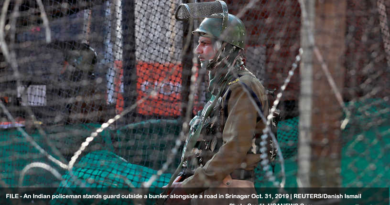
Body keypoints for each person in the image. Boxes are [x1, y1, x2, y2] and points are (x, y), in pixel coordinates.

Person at [164, 11, 276, 205]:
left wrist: (189, 186)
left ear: (225, 47)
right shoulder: (222, 89)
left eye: (205, 43)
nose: (198, 50)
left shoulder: (243, 87)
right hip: (210, 188)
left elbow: (234, 150)